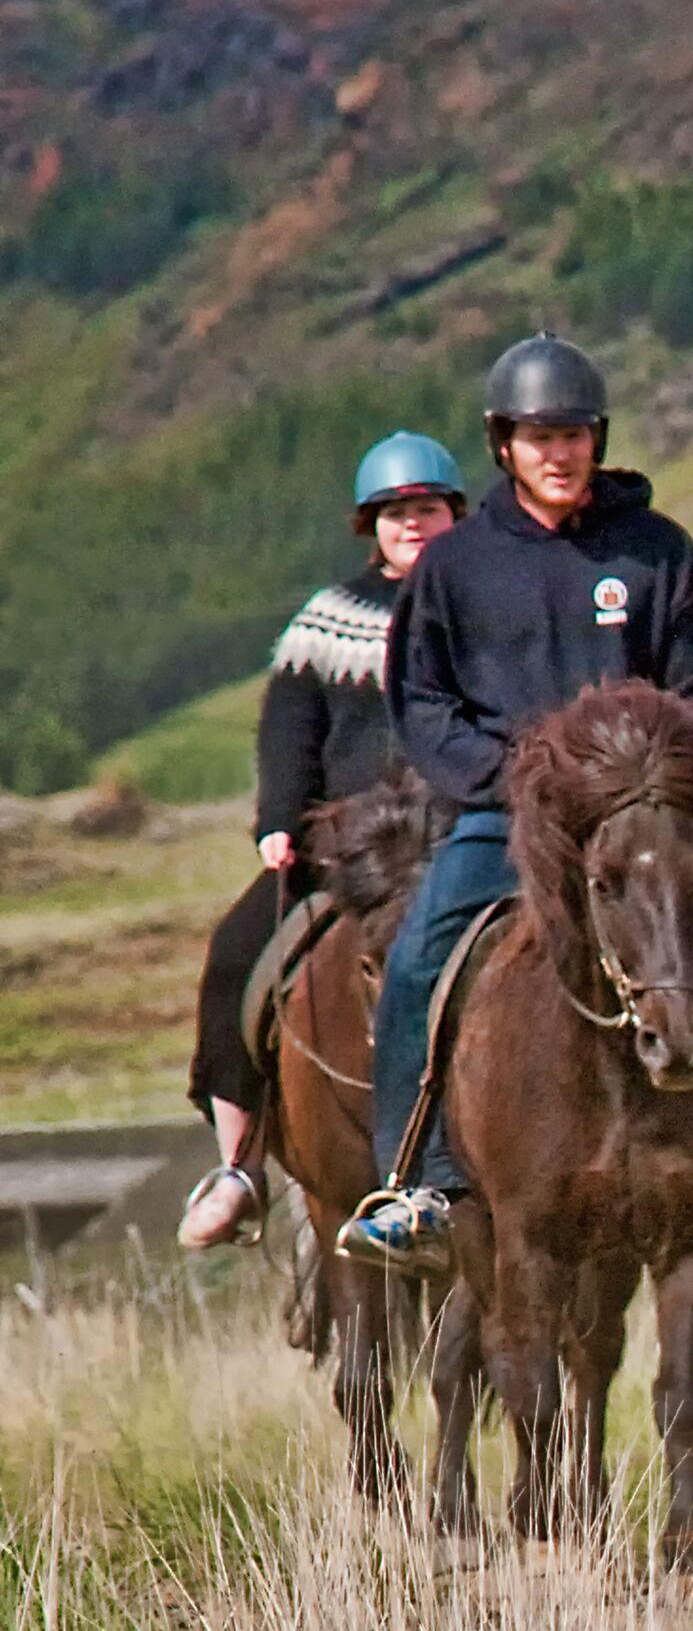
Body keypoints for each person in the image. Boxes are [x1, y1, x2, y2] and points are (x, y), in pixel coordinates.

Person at [337, 332, 693, 1272]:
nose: (558, 452)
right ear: (502, 443)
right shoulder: (455, 567)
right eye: (537, 435)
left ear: (598, 439)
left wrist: (646, 781)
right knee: (420, 964)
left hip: (650, 820)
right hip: (503, 821)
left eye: (575, 433)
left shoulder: (657, 554)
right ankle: (422, 1185)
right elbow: (423, 703)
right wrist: (514, 782)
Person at [176, 432, 467, 1249]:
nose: (414, 524)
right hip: (343, 856)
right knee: (236, 955)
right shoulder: (325, 620)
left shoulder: (481, 606)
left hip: (457, 844)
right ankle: (238, 1164)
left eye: (429, 509)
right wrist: (277, 820)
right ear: (370, 523)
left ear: (456, 515)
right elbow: (288, 732)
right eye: (397, 512)